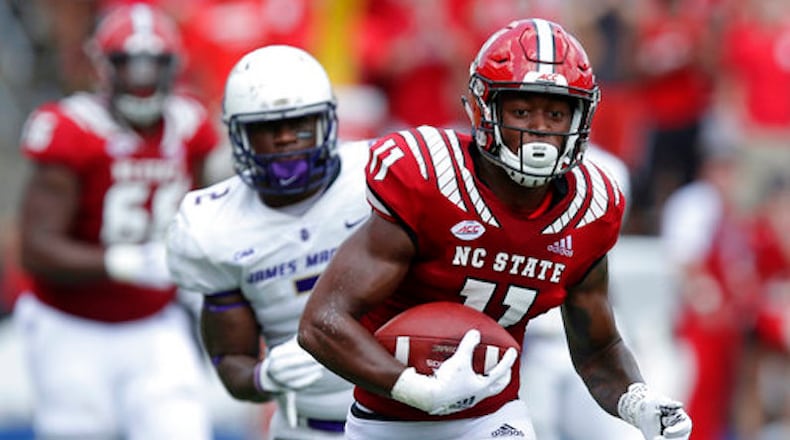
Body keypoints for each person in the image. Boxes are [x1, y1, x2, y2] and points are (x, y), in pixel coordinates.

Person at [299, 18, 693, 440]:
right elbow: (321, 323)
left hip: (492, 417)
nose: (540, 127)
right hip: (388, 417)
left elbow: (598, 349)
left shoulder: (590, 208)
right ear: (483, 108)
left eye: (556, 113)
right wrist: (416, 388)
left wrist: (639, 403)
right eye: (522, 110)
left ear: (581, 116)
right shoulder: (428, 179)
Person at [13, 3, 217, 439]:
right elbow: (35, 247)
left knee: (181, 429)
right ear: (103, 67)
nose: (142, 79)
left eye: (153, 65)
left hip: (154, 320)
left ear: (173, 66)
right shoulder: (73, 128)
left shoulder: (190, 127)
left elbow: (197, 216)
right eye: (129, 65)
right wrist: (124, 263)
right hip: (69, 323)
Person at [165, 45, 369, 439]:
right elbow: (232, 364)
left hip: (410, 422)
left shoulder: (379, 176)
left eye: (301, 124)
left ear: (327, 122)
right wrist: (264, 377)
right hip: (308, 428)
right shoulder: (213, 226)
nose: (285, 138)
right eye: (265, 128)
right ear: (238, 135)